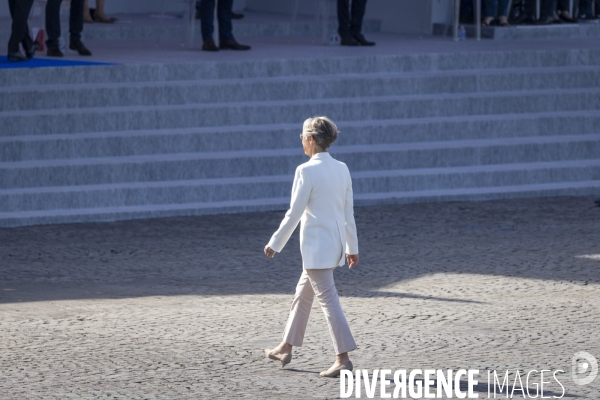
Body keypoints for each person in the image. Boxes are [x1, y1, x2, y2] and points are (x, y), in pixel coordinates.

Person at [263, 116, 360, 378]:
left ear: (312, 139)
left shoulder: (305, 171)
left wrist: (275, 242)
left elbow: (294, 213)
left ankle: (343, 358)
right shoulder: (342, 168)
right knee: (302, 296)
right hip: (335, 246)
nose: (302, 142)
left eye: (303, 138)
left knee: (329, 302)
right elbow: (348, 212)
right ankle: (286, 346)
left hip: (317, 250)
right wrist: (352, 247)